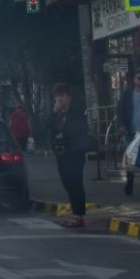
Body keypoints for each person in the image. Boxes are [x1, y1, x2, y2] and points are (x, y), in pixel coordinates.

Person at [49, 83, 90, 228]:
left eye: (62, 96)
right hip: (61, 153)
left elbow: (79, 129)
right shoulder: (58, 114)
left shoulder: (76, 112)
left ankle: (78, 215)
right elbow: (48, 127)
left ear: (69, 97)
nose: (60, 99)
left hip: (74, 153)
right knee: (66, 182)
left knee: (75, 183)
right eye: (57, 96)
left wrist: (64, 134)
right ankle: (75, 213)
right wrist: (54, 112)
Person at [115, 69, 140, 196]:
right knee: (130, 158)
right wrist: (121, 125)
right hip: (130, 131)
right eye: (139, 78)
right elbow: (120, 111)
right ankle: (130, 180)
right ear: (134, 80)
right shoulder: (127, 94)